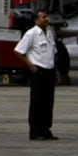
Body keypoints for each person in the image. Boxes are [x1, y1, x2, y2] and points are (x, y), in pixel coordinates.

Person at [14, 9, 59, 140]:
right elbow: (18, 51)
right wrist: (30, 65)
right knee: (37, 102)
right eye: (43, 17)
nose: (46, 19)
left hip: (49, 71)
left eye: (47, 17)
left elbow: (53, 53)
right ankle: (35, 131)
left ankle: (46, 130)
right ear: (36, 20)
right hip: (38, 71)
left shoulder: (49, 33)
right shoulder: (31, 34)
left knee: (48, 102)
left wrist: (56, 71)